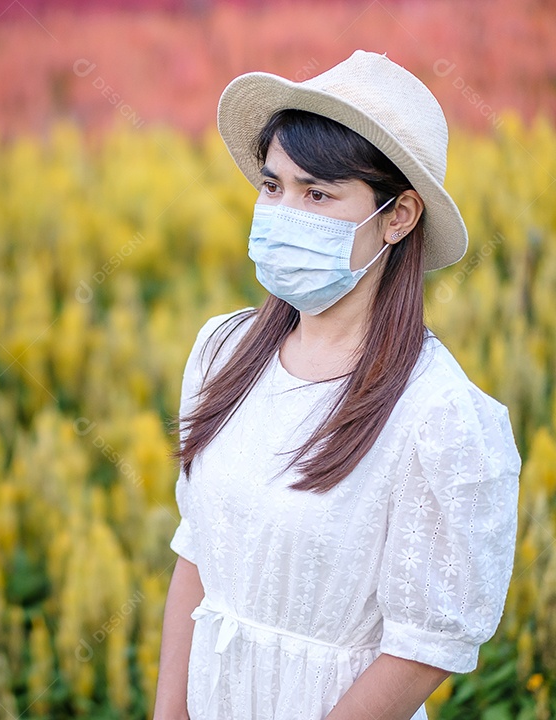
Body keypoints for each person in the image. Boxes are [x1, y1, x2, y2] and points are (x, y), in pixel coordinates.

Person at [152, 50, 522, 720]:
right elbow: (199, 554)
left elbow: (424, 649)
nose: (283, 213)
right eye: (273, 187)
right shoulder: (222, 352)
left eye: (317, 194)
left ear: (398, 216)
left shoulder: (438, 414)